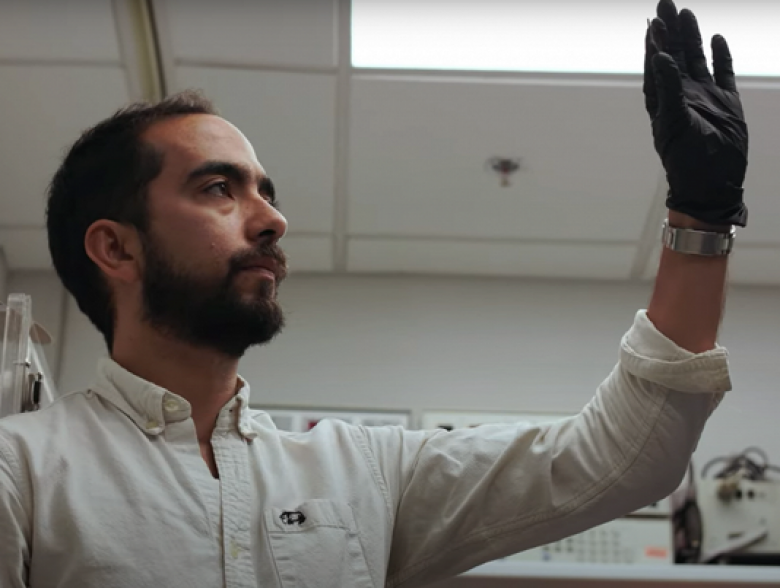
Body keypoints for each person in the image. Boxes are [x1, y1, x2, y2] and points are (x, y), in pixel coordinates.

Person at [0, 0, 748, 586]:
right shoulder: (22, 471)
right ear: (116, 248)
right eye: (219, 188)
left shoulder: (361, 471)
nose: (272, 219)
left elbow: (620, 458)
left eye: (266, 192)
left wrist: (701, 217)